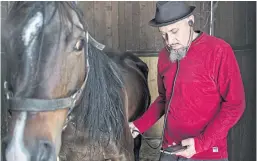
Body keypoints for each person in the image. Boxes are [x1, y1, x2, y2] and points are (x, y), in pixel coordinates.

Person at [129, 1, 245, 161]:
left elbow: (235, 105)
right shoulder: (164, 56)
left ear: (190, 21)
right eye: (164, 34)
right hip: (169, 150)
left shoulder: (219, 51)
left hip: (206, 152)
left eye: (174, 31)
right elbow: (164, 99)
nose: (169, 41)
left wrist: (201, 144)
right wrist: (138, 125)